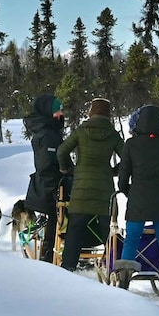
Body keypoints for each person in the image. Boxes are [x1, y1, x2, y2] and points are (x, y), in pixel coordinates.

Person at [115, 104, 159, 297]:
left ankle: (123, 280)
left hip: (138, 198)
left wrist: (130, 191)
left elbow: (122, 177)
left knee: (131, 239)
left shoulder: (131, 144)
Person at [56, 98, 124, 272]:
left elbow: (62, 150)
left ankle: (67, 267)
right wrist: (113, 171)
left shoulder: (81, 131)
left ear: (91, 112)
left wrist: (67, 168)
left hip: (81, 189)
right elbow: (128, 159)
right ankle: (112, 266)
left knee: (75, 229)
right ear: (107, 115)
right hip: (104, 191)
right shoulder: (113, 134)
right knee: (105, 231)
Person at [22, 92, 65, 262]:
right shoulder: (47, 135)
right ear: (48, 112)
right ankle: (47, 259)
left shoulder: (49, 131)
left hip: (47, 185)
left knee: (55, 222)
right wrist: (53, 188)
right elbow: (46, 165)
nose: (60, 114)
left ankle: (49, 255)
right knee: (54, 222)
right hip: (48, 188)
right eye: (57, 111)